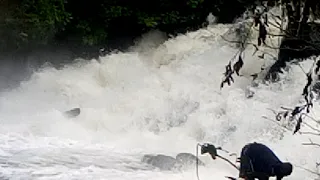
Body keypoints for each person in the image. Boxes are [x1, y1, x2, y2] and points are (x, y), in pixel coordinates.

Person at [201, 142, 293, 180]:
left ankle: (217, 151)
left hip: (257, 155)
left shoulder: (279, 168)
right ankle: (211, 150)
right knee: (246, 176)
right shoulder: (271, 168)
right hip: (249, 151)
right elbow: (254, 175)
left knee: (249, 172)